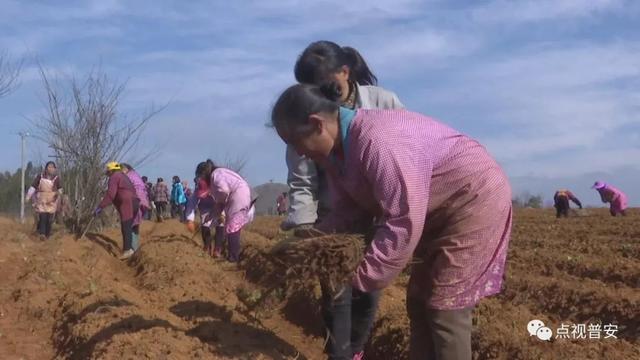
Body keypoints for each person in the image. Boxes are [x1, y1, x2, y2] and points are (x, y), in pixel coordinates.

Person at [271, 84, 512, 360]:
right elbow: (348, 210)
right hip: (437, 211)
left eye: (294, 141)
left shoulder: (377, 142)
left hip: (473, 200)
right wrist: (312, 242)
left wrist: (362, 276)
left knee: (446, 308)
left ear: (317, 125)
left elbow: (402, 220)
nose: (298, 153)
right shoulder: (339, 155)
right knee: (419, 302)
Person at [283, 41, 404, 360]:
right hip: (333, 214)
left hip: (377, 212)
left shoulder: (383, 102)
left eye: (326, 84)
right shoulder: (309, 112)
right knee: (336, 294)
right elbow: (301, 175)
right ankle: (338, 350)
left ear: (345, 72)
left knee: (366, 292)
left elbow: (406, 151)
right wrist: (306, 225)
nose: (322, 92)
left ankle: (355, 351)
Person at [194, 159, 255, 263]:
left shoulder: (215, 176)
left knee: (232, 227)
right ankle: (233, 255)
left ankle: (233, 258)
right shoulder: (217, 173)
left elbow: (223, 190)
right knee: (232, 226)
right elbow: (220, 203)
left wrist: (220, 203)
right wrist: (211, 215)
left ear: (204, 174)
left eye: (201, 177)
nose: (201, 180)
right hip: (239, 193)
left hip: (238, 194)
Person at [95, 162, 140, 260]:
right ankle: (133, 249)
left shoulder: (114, 177)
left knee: (126, 226)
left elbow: (111, 195)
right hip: (135, 202)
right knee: (130, 226)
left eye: (107, 171)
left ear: (111, 170)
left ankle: (128, 250)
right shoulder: (123, 176)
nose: (107, 173)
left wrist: (100, 206)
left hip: (127, 203)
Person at [185, 177, 226, 258]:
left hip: (218, 207)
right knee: (205, 224)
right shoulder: (197, 190)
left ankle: (217, 249)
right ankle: (207, 246)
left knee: (220, 224)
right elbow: (191, 204)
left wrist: (222, 214)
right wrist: (190, 220)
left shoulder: (217, 189)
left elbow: (223, 201)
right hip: (204, 208)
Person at [26, 161, 63, 240]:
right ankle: (42, 234)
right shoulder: (40, 177)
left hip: (52, 201)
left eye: (52, 167)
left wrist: (59, 194)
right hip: (42, 200)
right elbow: (33, 186)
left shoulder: (56, 179)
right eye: (49, 167)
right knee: (43, 216)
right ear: (46, 169)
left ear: (55, 169)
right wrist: (28, 196)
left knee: (50, 219)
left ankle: (47, 234)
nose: (51, 169)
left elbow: (60, 189)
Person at [121, 164, 149, 250]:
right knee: (135, 226)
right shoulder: (136, 175)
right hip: (141, 200)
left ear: (125, 169)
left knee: (128, 226)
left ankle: (130, 249)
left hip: (134, 201)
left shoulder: (128, 176)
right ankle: (135, 248)